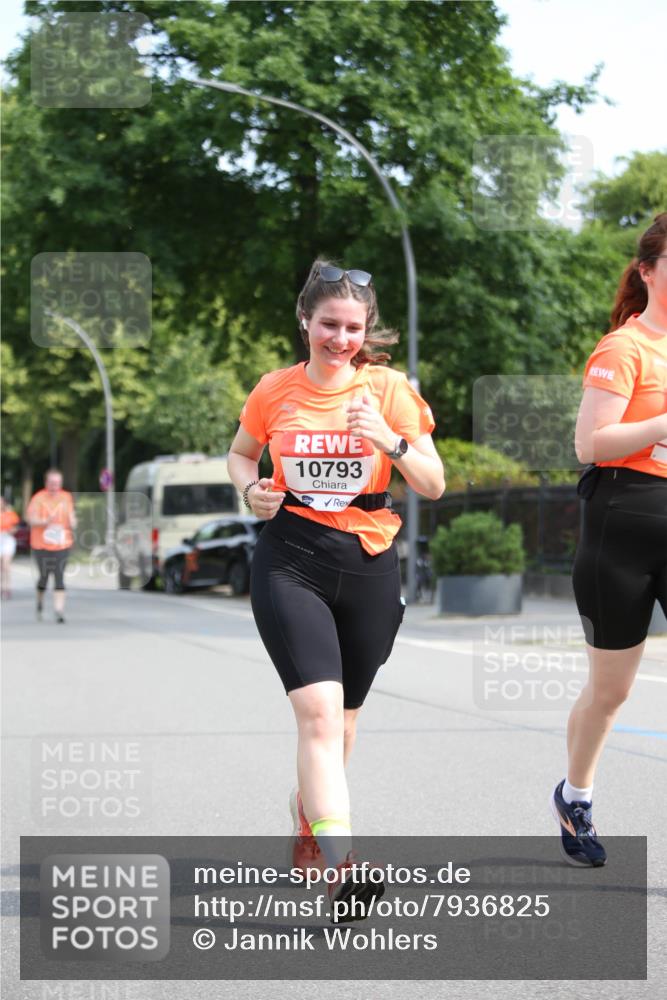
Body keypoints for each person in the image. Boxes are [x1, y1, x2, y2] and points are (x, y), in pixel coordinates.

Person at [228, 260, 445, 916]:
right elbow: (242, 452)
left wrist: (393, 441)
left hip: (370, 563)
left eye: (353, 328)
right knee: (318, 716)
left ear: (366, 331)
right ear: (305, 321)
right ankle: (343, 867)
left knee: (343, 726)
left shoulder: (388, 391)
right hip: (291, 556)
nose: (340, 338)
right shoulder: (274, 390)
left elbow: (433, 484)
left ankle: (307, 814)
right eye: (328, 324)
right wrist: (251, 490)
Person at [552, 212, 667, 866]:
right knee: (611, 690)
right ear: (647, 272)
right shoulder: (622, 349)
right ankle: (576, 794)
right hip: (621, 525)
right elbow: (589, 444)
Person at [26, 469, 77, 623]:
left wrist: (73, 523)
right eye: (52, 483)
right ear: (46, 482)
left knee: (59, 577)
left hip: (62, 543)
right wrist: (44, 522)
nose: (55, 486)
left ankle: (59, 611)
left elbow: (71, 516)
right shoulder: (38, 498)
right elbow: (30, 519)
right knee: (44, 577)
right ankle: (40, 602)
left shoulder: (66, 497)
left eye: (57, 483)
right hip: (41, 544)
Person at [0, 498, 20, 599]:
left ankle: (7, 588)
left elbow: (16, 527)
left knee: (6, 565)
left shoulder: (10, 514)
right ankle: (2, 587)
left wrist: (11, 530)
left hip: (7, 539)